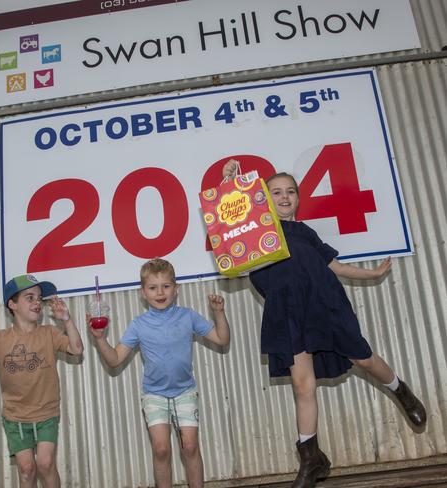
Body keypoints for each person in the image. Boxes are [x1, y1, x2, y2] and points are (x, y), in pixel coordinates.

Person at [222, 160, 427, 488]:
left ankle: (400, 390)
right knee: (303, 385)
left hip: (324, 304)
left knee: (363, 358)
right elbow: (230, 240)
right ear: (263, 199)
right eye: (276, 192)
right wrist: (230, 186)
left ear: (298, 198)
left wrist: (371, 273)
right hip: (287, 313)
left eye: (290, 191)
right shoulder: (256, 235)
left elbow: (334, 266)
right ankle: (311, 458)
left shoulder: (306, 233)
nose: (285, 196)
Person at [89, 258, 230, 488]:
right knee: (161, 449)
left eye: (166, 286)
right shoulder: (138, 324)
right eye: (153, 288)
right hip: (154, 395)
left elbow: (223, 340)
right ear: (143, 292)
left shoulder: (188, 316)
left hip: (185, 391)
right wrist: (100, 339)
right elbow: (114, 360)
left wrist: (219, 313)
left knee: (190, 447)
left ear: (176, 289)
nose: (160, 292)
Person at [0, 274, 84, 488]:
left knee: (45, 464)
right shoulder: (0, 339)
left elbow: (77, 349)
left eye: (39, 298)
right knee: (26, 470)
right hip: (15, 416)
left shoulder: (50, 333)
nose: (37, 302)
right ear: (12, 304)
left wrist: (67, 320)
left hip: (46, 413)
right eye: (30, 297)